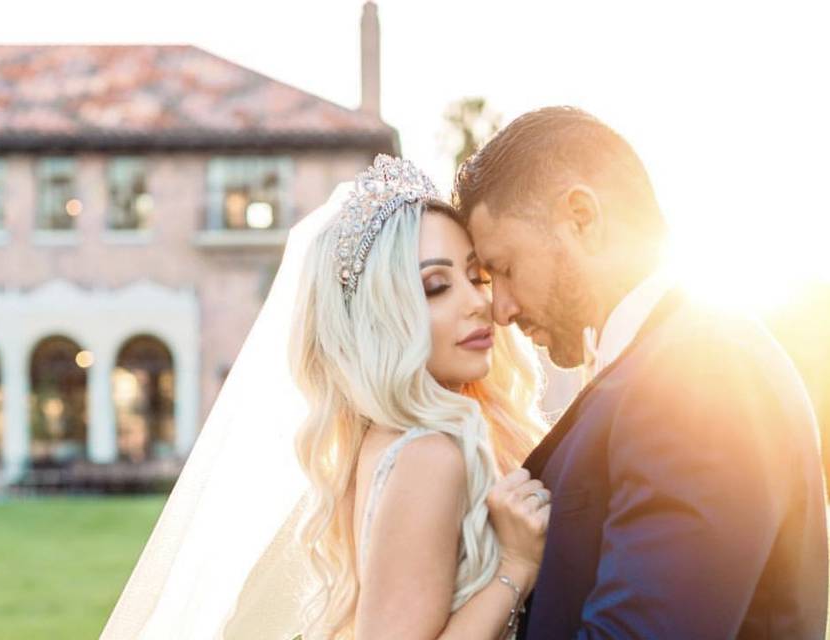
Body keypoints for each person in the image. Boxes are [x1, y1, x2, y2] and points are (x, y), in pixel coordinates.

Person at [102, 155, 551, 639]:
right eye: (436, 287)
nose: (478, 301)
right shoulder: (428, 455)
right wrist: (516, 567)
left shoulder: (389, 440)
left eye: (476, 277)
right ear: (381, 319)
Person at [454, 106, 830, 639]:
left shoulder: (699, 371)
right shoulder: (662, 357)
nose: (502, 309)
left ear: (581, 217)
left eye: (506, 269)